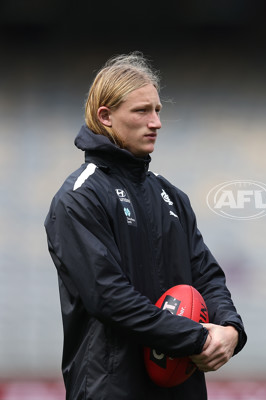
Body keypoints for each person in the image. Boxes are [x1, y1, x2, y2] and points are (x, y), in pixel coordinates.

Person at [44, 52, 247, 399]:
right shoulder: (79, 198)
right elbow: (109, 298)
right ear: (105, 116)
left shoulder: (172, 196)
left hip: (182, 388)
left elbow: (207, 276)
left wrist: (230, 329)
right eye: (142, 111)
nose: (156, 122)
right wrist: (197, 338)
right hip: (112, 389)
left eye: (157, 110)